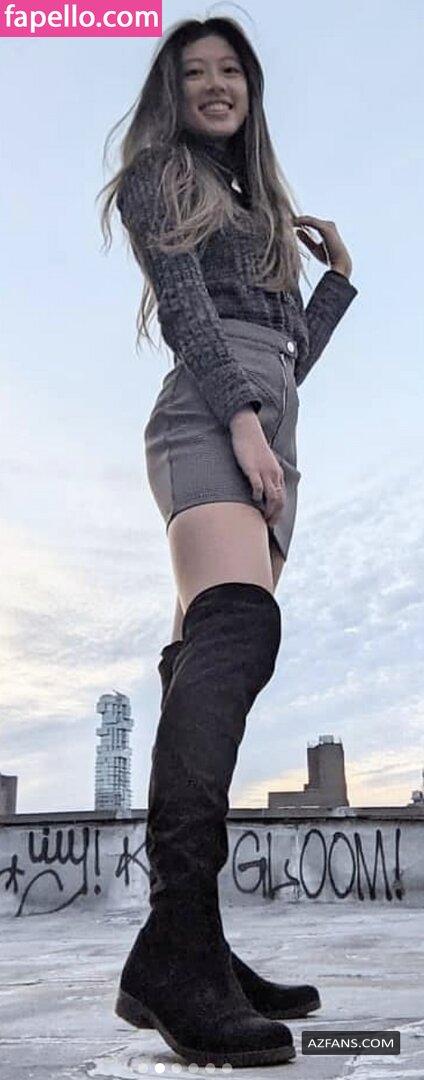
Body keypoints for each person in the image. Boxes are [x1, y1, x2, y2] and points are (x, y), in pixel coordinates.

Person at [99, 16, 358, 1069]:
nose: (214, 84)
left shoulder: (257, 206)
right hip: (213, 414)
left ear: (252, 89)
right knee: (238, 634)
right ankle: (177, 949)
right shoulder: (159, 175)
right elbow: (188, 313)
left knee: (196, 665)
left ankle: (185, 944)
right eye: (193, 72)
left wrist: (334, 282)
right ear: (172, 93)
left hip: (268, 416)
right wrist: (243, 419)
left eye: (230, 71)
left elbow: (290, 353)